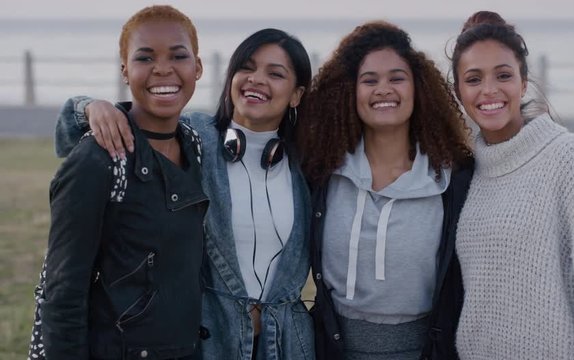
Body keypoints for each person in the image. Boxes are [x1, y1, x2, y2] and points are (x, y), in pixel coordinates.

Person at [51, 28, 314, 359]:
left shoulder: (308, 164)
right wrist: (91, 107)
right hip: (209, 342)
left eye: (275, 73)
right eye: (246, 68)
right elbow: (73, 136)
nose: (256, 79)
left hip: (286, 346)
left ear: (296, 94)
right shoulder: (194, 138)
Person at [450, 11, 574, 359]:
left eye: (504, 75)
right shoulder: (468, 172)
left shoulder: (569, 157)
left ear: (523, 83)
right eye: (474, 79)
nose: (489, 90)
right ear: (459, 91)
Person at [29, 5, 208, 359]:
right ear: (125, 71)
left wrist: (83, 105)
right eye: (145, 58)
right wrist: (88, 107)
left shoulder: (196, 143)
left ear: (197, 68)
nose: (162, 68)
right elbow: (62, 292)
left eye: (178, 55)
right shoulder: (98, 159)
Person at [298, 21, 473, 360]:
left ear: (417, 88)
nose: (383, 89)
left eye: (396, 78)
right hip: (330, 350)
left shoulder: (453, 179)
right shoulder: (322, 172)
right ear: (350, 92)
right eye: (369, 80)